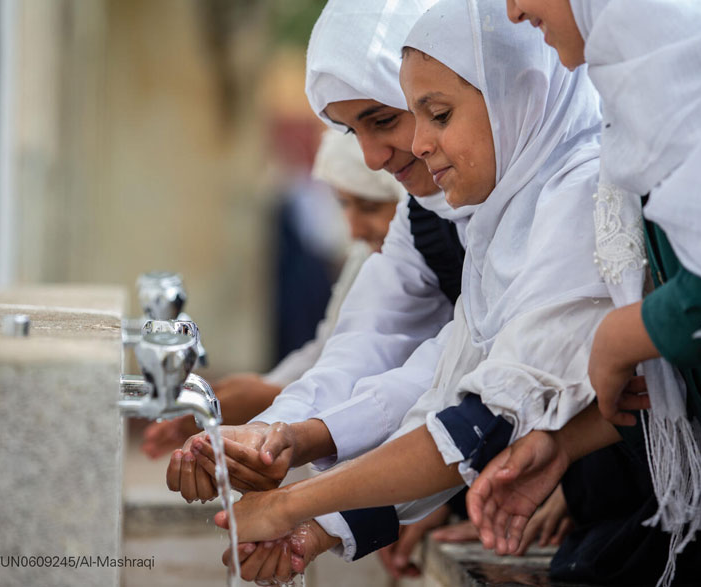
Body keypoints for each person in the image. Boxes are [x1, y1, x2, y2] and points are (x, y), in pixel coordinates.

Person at [211, 1, 613, 580]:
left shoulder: (576, 193)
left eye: (434, 114)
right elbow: (426, 374)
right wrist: (290, 450)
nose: (400, 150)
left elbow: (483, 420)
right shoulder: (493, 219)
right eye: (353, 132)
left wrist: (293, 503)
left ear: (515, 91)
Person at [470, 0, 701, 583]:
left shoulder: (688, 47)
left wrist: (621, 335)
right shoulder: (645, 76)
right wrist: (567, 444)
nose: (512, 11)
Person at [140, 129, 402, 458]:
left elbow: (408, 381)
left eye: (371, 207)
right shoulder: (366, 257)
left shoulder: (427, 264)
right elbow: (333, 345)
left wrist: (271, 398)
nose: (354, 229)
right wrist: (266, 391)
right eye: (345, 205)